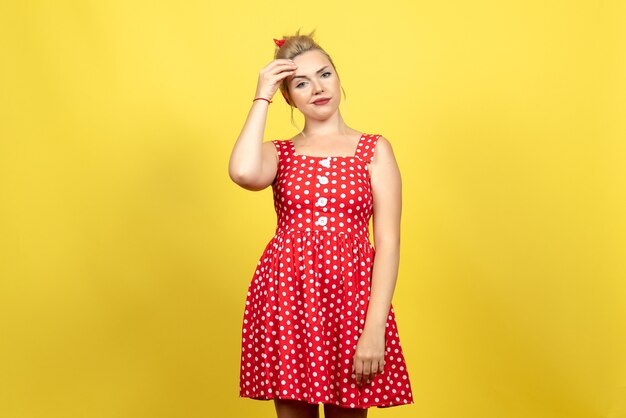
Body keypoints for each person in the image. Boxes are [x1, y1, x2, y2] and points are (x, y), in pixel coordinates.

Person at [229, 29, 413, 418]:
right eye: (301, 83)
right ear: (289, 97)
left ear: (338, 76)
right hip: (287, 299)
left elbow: (389, 244)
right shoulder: (279, 153)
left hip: (353, 305)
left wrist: (375, 327)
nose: (317, 88)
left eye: (324, 74)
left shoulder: (374, 150)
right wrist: (261, 93)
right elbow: (243, 173)